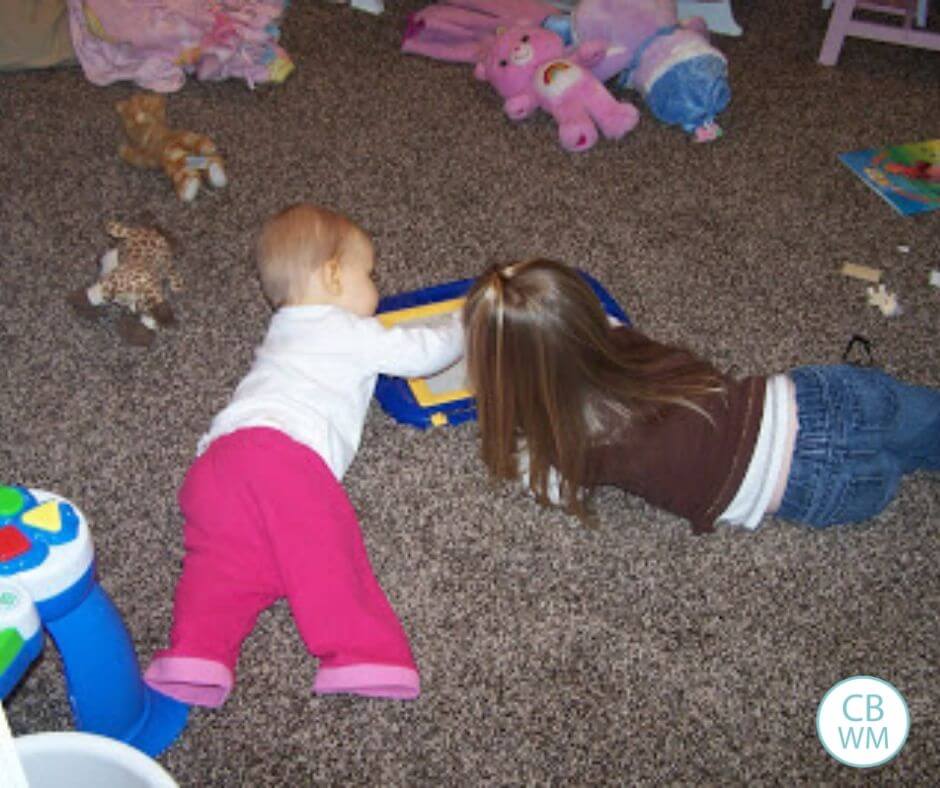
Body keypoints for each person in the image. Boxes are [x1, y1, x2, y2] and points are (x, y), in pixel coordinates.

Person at [145, 203, 463, 707]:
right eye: (369, 273)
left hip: (215, 466)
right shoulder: (344, 328)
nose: (375, 285)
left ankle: (197, 653)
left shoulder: (284, 331)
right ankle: (363, 651)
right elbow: (421, 354)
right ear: (334, 276)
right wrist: (463, 325)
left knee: (230, 566)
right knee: (322, 550)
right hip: (281, 457)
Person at [461, 258, 939, 534]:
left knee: (890, 473)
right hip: (825, 399)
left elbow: (547, 482)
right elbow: (573, 325)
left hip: (813, 488)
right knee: (921, 421)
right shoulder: (620, 340)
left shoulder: (568, 447)